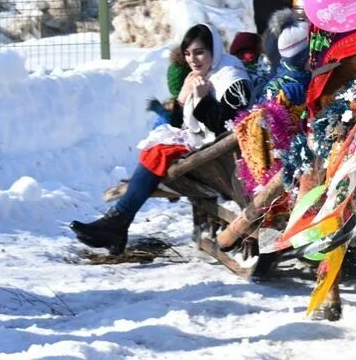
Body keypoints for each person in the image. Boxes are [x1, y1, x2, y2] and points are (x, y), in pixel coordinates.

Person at [70, 23, 252, 255]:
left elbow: (226, 128)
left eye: (199, 52)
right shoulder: (201, 75)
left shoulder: (231, 78)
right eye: (187, 53)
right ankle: (116, 224)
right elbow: (177, 123)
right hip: (206, 147)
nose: (193, 60)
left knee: (158, 153)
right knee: (154, 150)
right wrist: (183, 99)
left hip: (223, 155)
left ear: (213, 50)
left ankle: (116, 224)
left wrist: (204, 98)